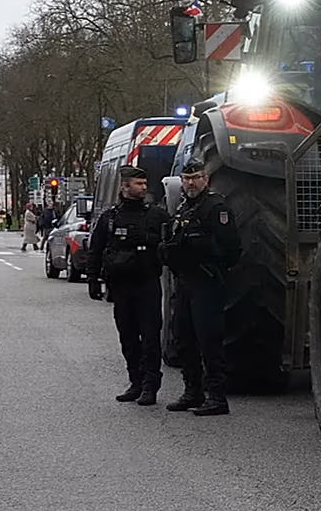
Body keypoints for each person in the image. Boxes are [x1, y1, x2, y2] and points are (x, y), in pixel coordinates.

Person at [158, 160, 242, 416]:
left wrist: (205, 251)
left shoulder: (215, 208)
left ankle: (216, 396)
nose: (190, 183)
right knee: (184, 339)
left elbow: (232, 250)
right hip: (185, 281)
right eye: (186, 178)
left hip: (207, 282)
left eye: (195, 178)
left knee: (209, 340)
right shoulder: (185, 207)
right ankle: (192, 391)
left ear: (206, 179)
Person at [86, 166, 170, 405]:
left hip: (147, 284)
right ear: (124, 187)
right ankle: (136, 381)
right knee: (128, 337)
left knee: (150, 338)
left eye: (144, 184)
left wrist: (148, 240)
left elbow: (171, 243)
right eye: (138, 184)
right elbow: (96, 249)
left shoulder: (156, 215)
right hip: (121, 287)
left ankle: (150, 386)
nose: (143, 188)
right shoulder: (111, 217)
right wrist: (93, 280)